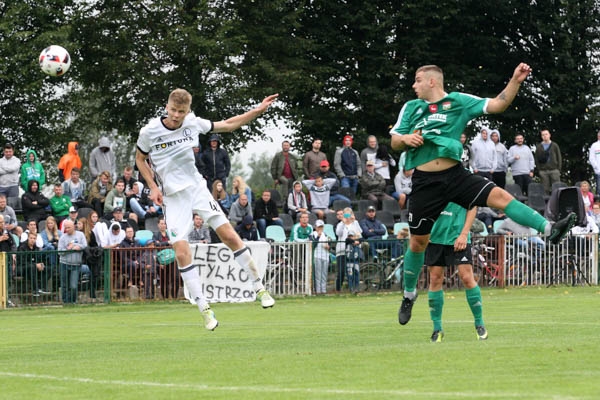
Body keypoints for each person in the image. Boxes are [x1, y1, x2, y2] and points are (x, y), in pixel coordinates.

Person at [390, 63, 576, 326]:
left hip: (454, 175)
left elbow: (498, 104)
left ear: (432, 81)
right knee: (418, 243)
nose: (414, 85)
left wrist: (515, 80)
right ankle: (409, 294)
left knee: (500, 195)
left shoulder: (459, 102)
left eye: (417, 80)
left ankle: (549, 229)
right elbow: (395, 140)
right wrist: (407, 139)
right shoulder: (412, 107)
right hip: (425, 182)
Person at [135, 88, 277, 330]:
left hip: (197, 189)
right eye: (173, 110)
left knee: (229, 235)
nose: (177, 115)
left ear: (188, 110)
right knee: (181, 252)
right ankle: (205, 309)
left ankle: (259, 287)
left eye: (181, 111)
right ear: (166, 107)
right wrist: (152, 186)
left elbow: (229, 125)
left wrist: (258, 110)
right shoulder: (149, 132)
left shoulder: (193, 123)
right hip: (173, 197)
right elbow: (140, 159)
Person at [425, 203, 487, 342]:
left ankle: (479, 324)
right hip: (435, 237)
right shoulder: (431, 182)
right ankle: (437, 329)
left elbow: (472, 207)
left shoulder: (462, 182)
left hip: (459, 236)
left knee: (466, 277)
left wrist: (464, 234)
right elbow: (422, 204)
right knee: (435, 279)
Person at [57, 219, 87, 304]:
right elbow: (60, 251)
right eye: (66, 228)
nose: (67, 230)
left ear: (74, 226)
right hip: (64, 263)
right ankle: (66, 302)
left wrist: (77, 246)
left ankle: (73, 301)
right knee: (64, 285)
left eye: (69, 227)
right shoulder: (63, 237)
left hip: (76, 264)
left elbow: (85, 245)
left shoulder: (80, 235)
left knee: (73, 285)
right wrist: (68, 249)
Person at [152, 217, 180, 300]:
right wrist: (167, 242)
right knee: (164, 280)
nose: (163, 225)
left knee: (176, 277)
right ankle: (165, 297)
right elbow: (156, 244)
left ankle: (174, 296)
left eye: (164, 224)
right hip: (162, 261)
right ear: (158, 225)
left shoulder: (171, 234)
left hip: (173, 259)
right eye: (161, 223)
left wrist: (162, 243)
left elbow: (176, 242)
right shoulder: (155, 234)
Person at [335, 207, 362, 293]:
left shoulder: (355, 223)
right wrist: (343, 222)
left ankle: (354, 289)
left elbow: (359, 233)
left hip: (353, 250)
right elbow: (338, 233)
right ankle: (338, 289)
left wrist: (354, 221)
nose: (347, 216)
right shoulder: (340, 224)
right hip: (342, 250)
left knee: (354, 270)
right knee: (341, 272)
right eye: (345, 214)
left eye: (348, 214)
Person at [16, 231, 51, 297]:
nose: (32, 240)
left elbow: (39, 259)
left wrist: (41, 264)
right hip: (22, 268)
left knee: (49, 269)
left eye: (34, 238)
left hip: (33, 267)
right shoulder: (22, 247)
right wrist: (35, 265)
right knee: (32, 267)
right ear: (28, 238)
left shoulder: (36, 248)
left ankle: (41, 287)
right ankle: (35, 290)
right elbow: (21, 261)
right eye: (31, 238)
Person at [535, 129, 562, 194]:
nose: (545, 136)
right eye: (543, 135)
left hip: (554, 170)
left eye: (546, 134)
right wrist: (539, 170)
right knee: (545, 189)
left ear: (549, 135)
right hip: (543, 171)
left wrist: (558, 169)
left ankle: (556, 203)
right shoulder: (539, 147)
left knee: (556, 188)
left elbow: (559, 157)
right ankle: (546, 203)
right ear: (541, 136)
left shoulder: (554, 145)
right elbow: (536, 159)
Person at [310, 219, 330, 294]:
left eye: (321, 227)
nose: (320, 228)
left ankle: (323, 290)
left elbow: (329, 244)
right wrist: (318, 237)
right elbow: (313, 245)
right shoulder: (312, 234)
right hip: (317, 256)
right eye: (319, 227)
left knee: (324, 274)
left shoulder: (325, 235)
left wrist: (328, 247)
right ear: (315, 227)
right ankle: (318, 290)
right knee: (318, 274)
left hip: (325, 255)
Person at [588, 130, 600, 195]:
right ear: (598, 136)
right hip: (599, 172)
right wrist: (597, 168)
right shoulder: (594, 145)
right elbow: (591, 158)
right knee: (599, 190)